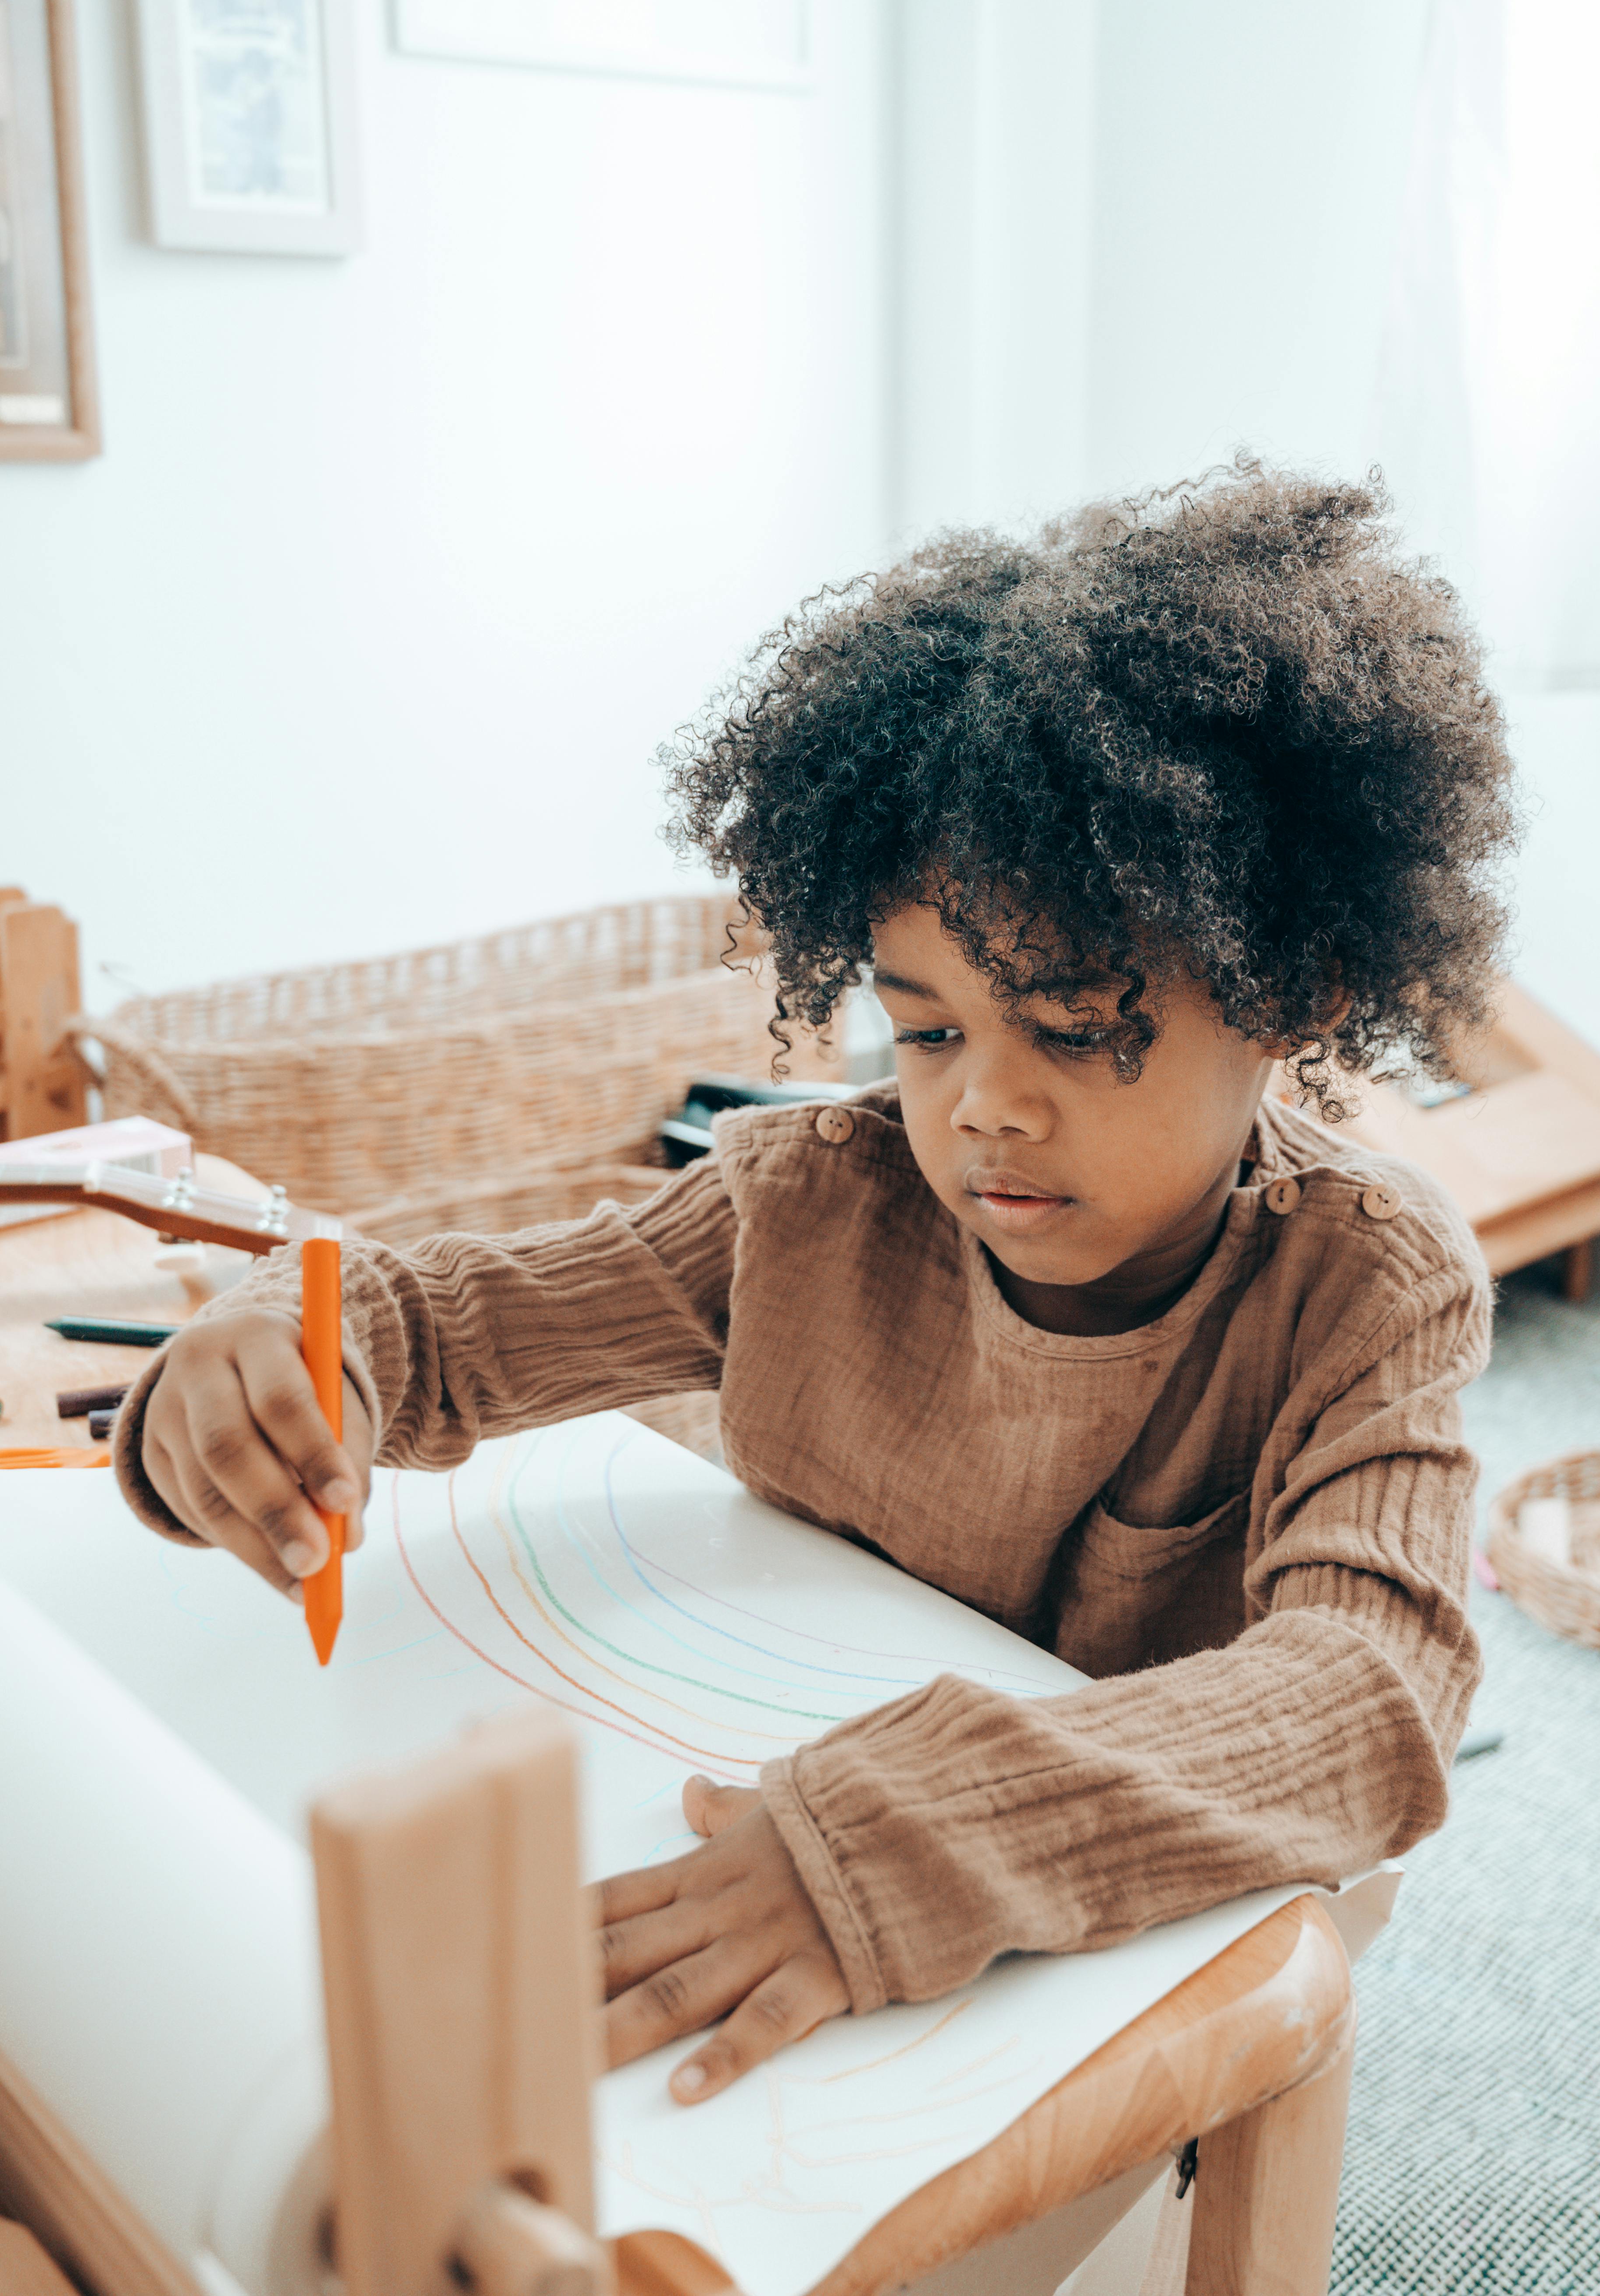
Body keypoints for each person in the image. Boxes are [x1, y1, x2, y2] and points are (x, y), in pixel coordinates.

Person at [115, 463, 1516, 2107]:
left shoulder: (1367, 1282)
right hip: (761, 1817)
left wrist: (925, 1829)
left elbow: (1371, 1696)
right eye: (925, 1029)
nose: (982, 1104)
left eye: (1074, 1030)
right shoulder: (808, 1200)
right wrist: (280, 1345)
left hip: (1106, 1905)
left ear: (1293, 992)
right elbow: (441, 1326)